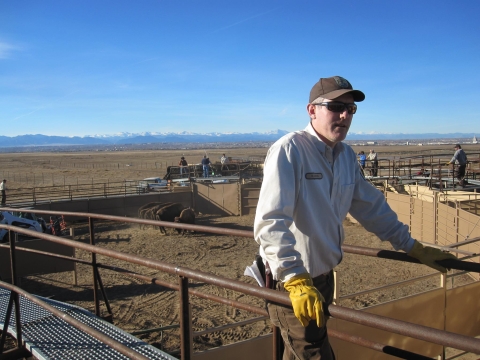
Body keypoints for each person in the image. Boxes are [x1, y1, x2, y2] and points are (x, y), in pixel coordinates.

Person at [253, 75, 456, 360]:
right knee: (313, 353)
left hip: (322, 280)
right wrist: (295, 278)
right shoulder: (290, 150)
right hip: (291, 281)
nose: (345, 115)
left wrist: (411, 246)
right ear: (312, 110)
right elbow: (271, 221)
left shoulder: (346, 156)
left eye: (351, 109)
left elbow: (372, 208)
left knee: (301, 350)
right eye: (336, 107)